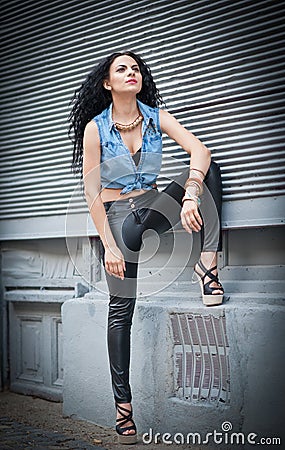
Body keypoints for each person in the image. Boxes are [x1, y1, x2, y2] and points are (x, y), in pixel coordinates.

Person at [68, 51, 224, 444]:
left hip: (153, 206)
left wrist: (190, 194)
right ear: (107, 83)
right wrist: (109, 246)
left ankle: (207, 268)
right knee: (120, 311)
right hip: (119, 219)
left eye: (135, 68)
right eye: (121, 69)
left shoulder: (154, 116)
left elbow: (199, 150)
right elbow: (90, 192)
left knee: (209, 172)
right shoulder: (95, 128)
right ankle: (123, 411)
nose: (130, 72)